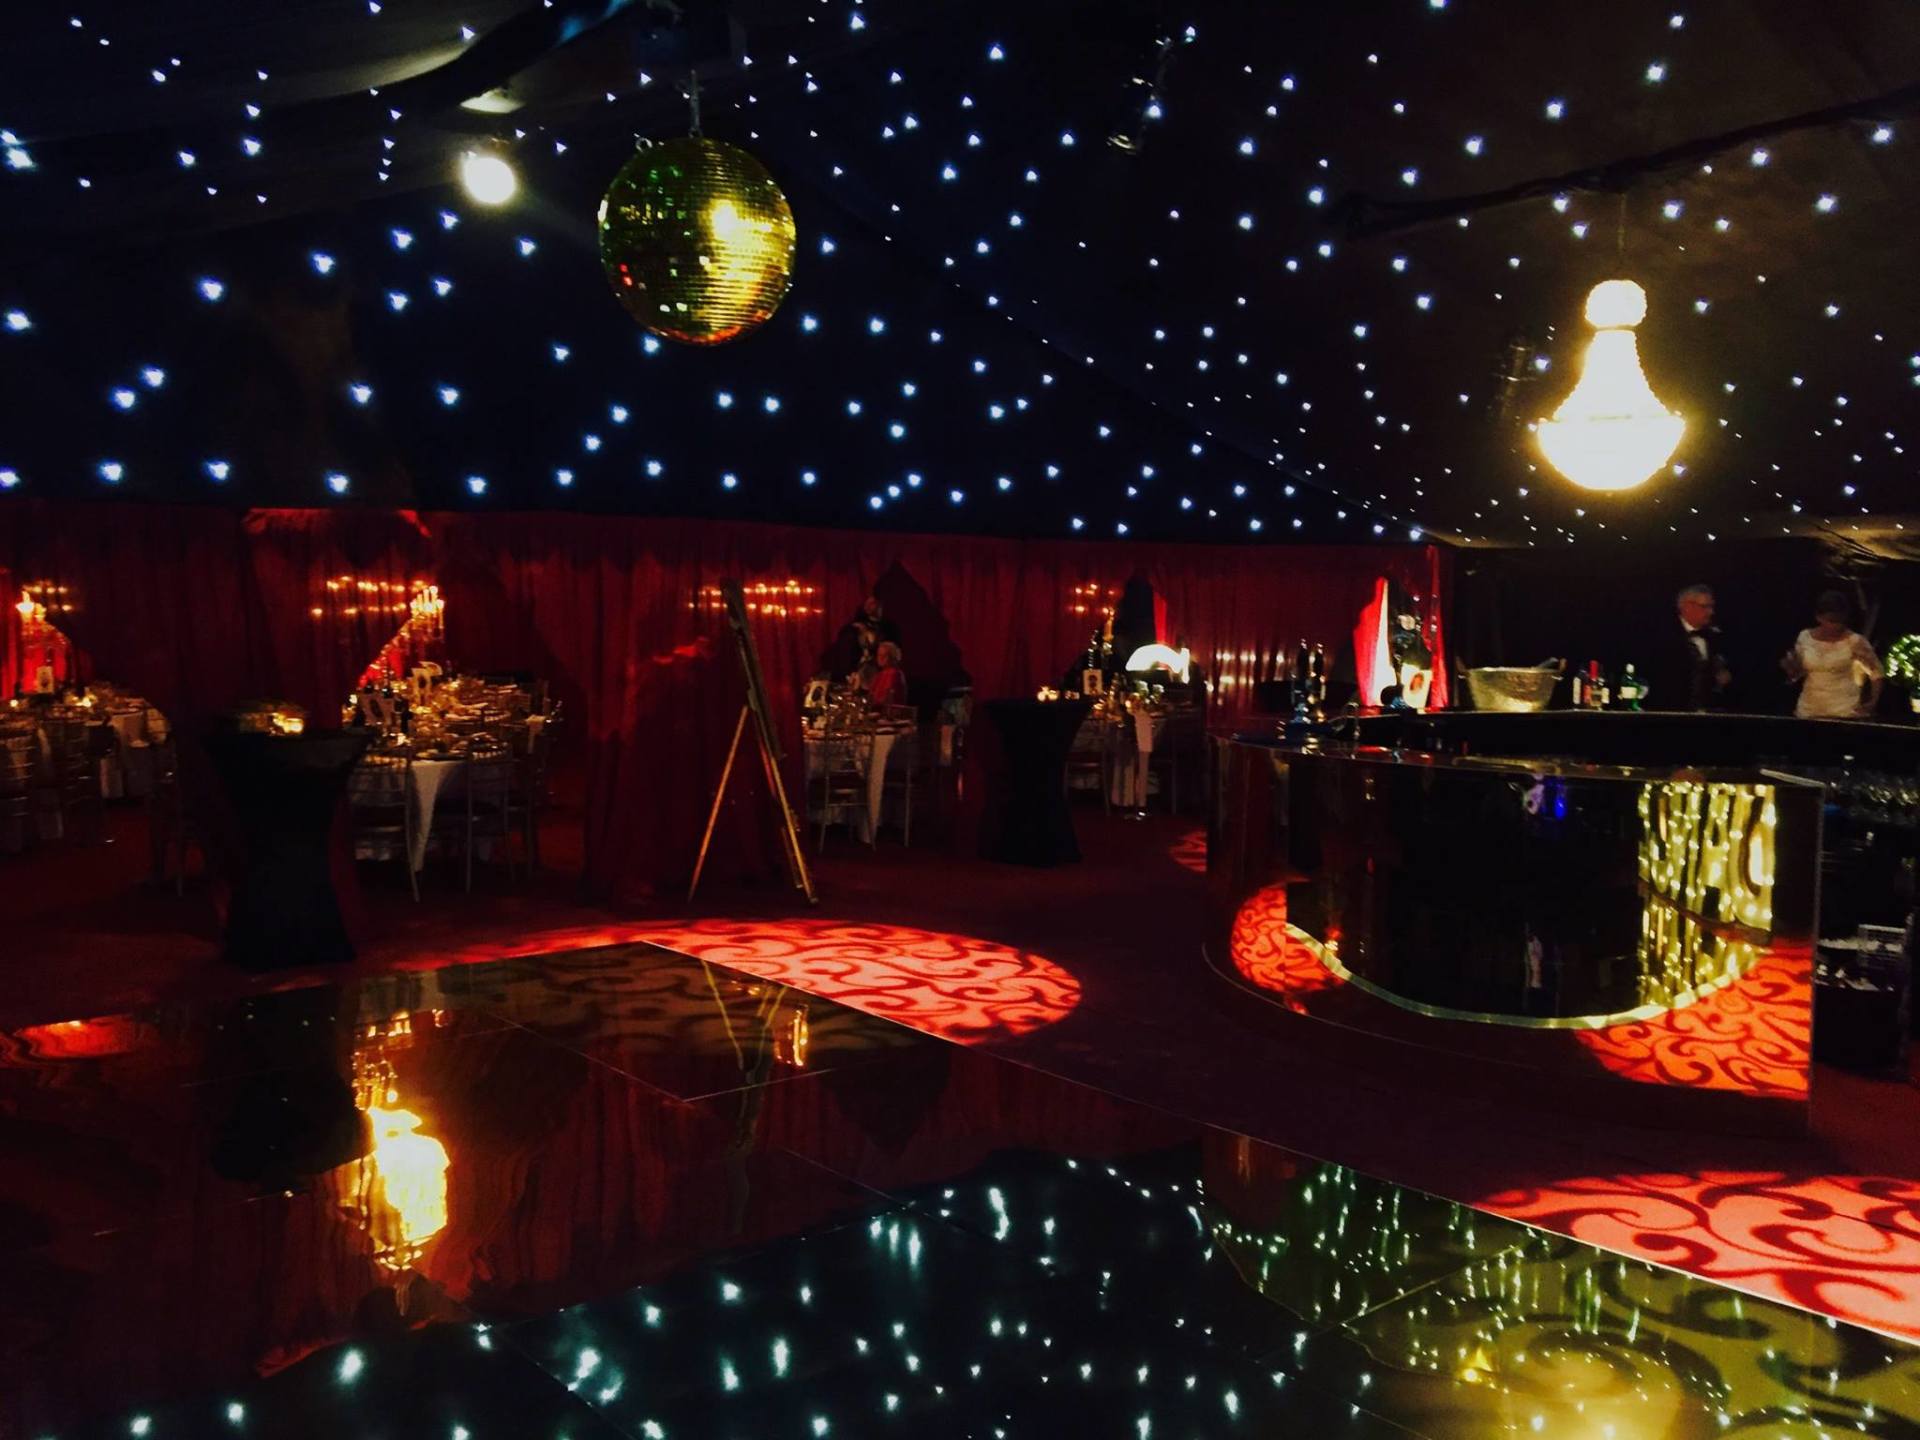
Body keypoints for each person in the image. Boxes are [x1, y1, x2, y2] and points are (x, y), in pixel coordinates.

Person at [1782, 590, 1882, 719]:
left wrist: (1872, 702)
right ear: (1819, 618)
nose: (1836, 626)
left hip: (1844, 711)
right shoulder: (1805, 637)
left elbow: (1877, 673)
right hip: (1809, 710)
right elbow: (1798, 673)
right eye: (1831, 621)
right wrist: (1790, 666)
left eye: (1840, 621)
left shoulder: (1855, 641)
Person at [1645, 583, 1732, 711]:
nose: (1711, 612)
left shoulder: (1716, 637)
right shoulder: (1663, 637)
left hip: (1710, 714)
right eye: (1705, 607)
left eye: (1711, 606)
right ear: (1686, 607)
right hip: (1672, 713)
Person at [867, 641, 907, 707]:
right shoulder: (880, 674)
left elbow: (886, 699)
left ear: (893, 657)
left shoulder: (895, 674)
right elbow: (871, 696)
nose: (880, 658)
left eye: (884, 655)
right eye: (879, 655)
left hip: (889, 713)